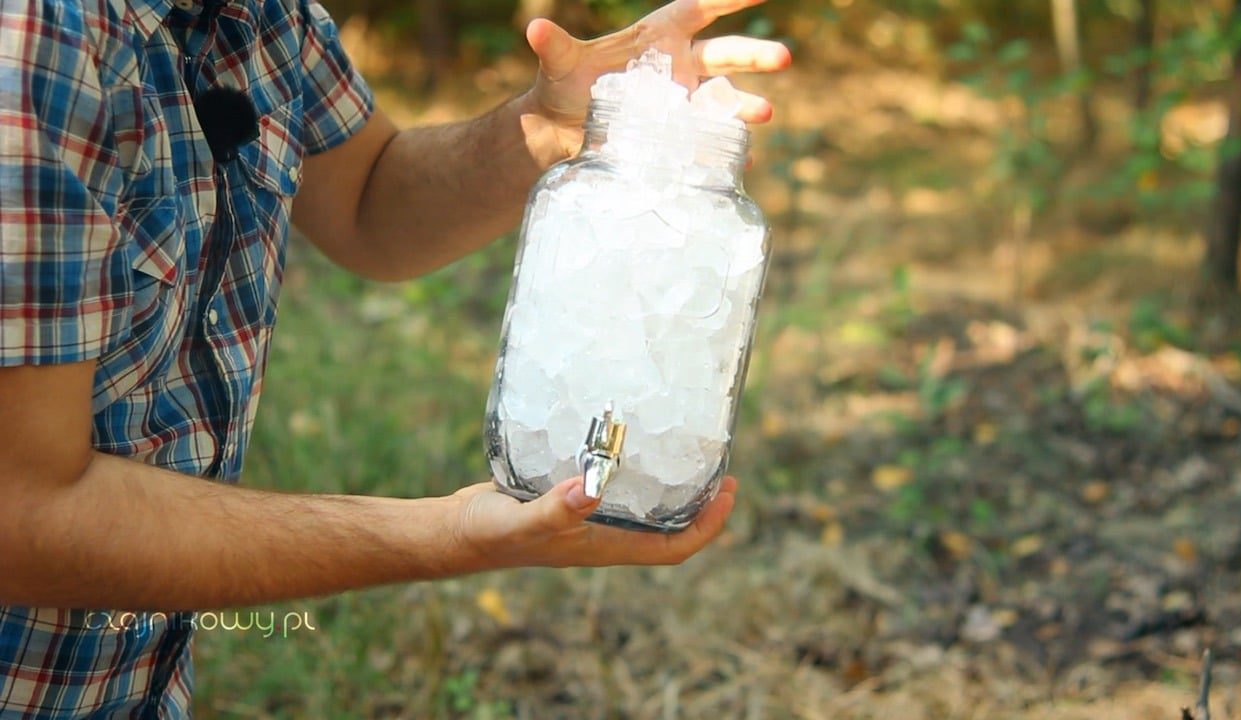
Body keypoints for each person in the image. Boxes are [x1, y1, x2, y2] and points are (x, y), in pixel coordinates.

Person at [0, 0, 789, 715]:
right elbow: (23, 515)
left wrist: (550, 128)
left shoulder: (260, 16)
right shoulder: (35, 42)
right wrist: (449, 535)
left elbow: (369, 200)